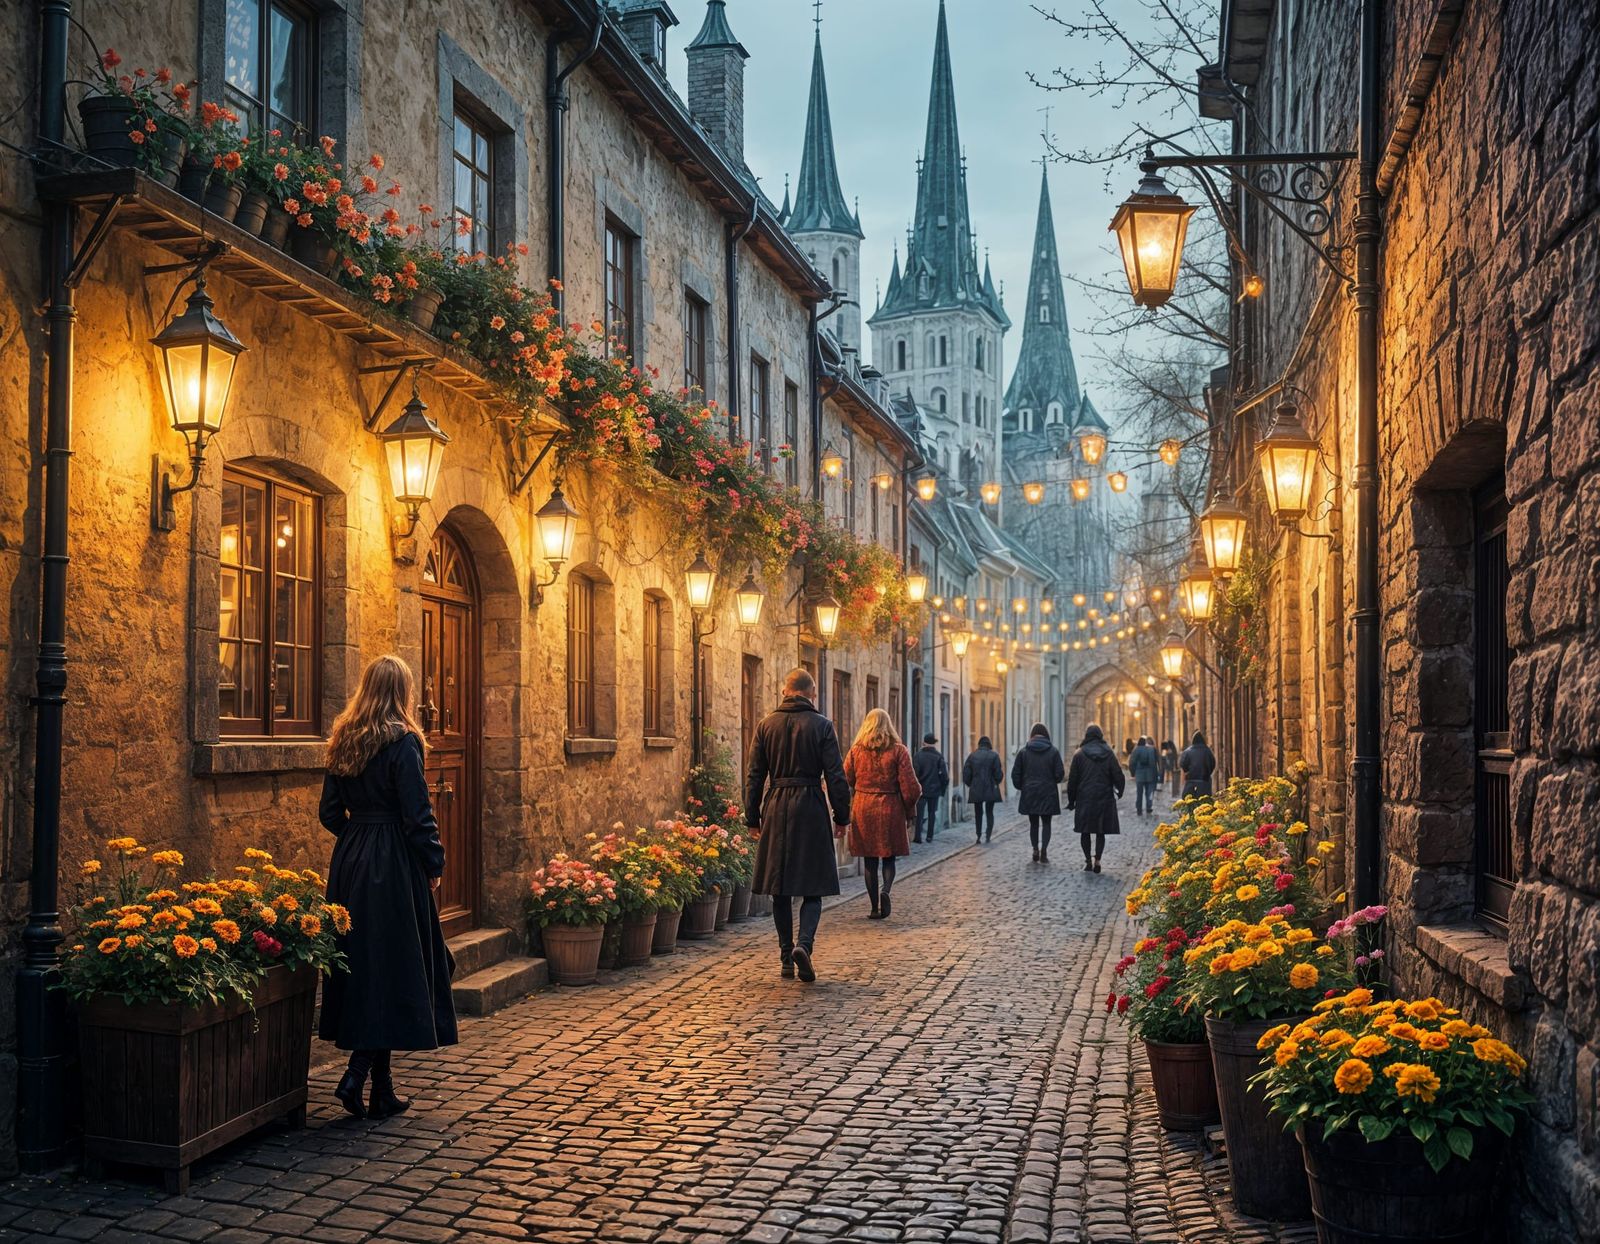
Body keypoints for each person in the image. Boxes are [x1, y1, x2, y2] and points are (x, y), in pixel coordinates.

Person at [319, 654, 457, 1120]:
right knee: (393, 966)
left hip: (351, 864)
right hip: (393, 864)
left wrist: (359, 839)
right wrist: (432, 862)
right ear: (402, 692)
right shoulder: (404, 742)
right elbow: (418, 815)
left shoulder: (344, 737)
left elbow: (329, 813)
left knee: (369, 968)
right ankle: (356, 1074)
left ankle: (382, 1090)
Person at [745, 668, 852, 982]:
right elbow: (836, 776)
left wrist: (752, 817)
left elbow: (754, 776)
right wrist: (842, 817)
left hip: (777, 805)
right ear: (813, 693)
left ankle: (785, 958)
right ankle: (804, 945)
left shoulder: (766, 726)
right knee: (812, 887)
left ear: (784, 691)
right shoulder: (822, 726)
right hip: (810, 807)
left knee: (780, 889)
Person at [843, 708, 922, 920]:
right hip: (890, 808)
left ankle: (873, 907)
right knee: (889, 857)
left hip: (864, 808)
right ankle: (886, 890)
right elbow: (911, 787)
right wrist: (909, 809)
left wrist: (856, 792)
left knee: (870, 861)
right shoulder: (899, 751)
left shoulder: (856, 751)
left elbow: (845, 778)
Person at [1068, 723, 1126, 872]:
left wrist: (1071, 800)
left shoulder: (1079, 754)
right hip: (1104, 797)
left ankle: (1088, 860)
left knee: (1085, 831)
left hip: (1084, 797)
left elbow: (1072, 780)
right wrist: (1120, 790)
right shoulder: (1109, 753)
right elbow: (1118, 774)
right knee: (1100, 831)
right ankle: (1098, 860)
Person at [1011, 724, 1066, 864]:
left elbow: (1015, 774)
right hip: (1048, 792)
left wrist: (1022, 786)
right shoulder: (1053, 752)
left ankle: (1035, 849)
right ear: (1046, 735)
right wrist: (1052, 781)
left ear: (1032, 735)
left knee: (1033, 823)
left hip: (1030, 792)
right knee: (1046, 823)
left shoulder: (1024, 752)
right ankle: (1044, 851)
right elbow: (1060, 774)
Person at [962, 735, 1005, 844]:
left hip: (976, 788)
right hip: (990, 788)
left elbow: (966, 774)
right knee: (990, 812)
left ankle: (978, 835)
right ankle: (988, 835)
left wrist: (971, 784)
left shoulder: (972, 756)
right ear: (989, 744)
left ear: (979, 744)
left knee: (978, 812)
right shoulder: (994, 756)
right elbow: (998, 774)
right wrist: (996, 782)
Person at [912, 732, 949, 843]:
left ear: (924, 743)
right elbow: (944, 776)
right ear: (934, 744)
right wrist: (942, 789)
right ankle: (929, 836)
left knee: (919, 814)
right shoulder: (938, 756)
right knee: (932, 812)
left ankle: (917, 837)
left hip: (921, 790)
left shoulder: (918, 756)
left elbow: (914, 774)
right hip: (934, 790)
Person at [1180, 730, 1218, 798]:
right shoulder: (1207, 751)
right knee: (1204, 803)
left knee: (1190, 803)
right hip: (1204, 782)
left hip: (1190, 782)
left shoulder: (1187, 752)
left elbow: (1183, 764)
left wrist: (1188, 772)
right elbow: (1213, 763)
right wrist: (1208, 772)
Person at [1129, 735, 1160, 816]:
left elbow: (1132, 762)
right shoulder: (1151, 750)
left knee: (1139, 793)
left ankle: (1139, 809)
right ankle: (1149, 807)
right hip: (1150, 775)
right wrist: (1156, 775)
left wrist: (1132, 773)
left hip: (1139, 775)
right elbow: (1155, 762)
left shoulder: (1136, 750)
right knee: (1149, 792)